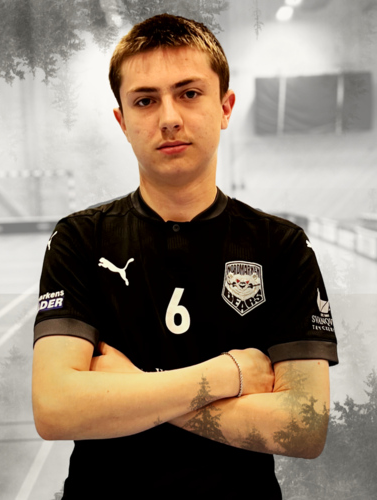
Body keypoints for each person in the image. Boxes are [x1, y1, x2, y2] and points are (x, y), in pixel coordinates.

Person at [32, 14, 338, 499]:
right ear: (122, 121)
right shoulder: (81, 239)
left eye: (189, 93)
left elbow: (304, 427)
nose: (169, 117)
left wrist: (133, 388)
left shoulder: (281, 246)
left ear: (225, 106)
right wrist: (224, 376)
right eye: (145, 100)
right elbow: (54, 409)